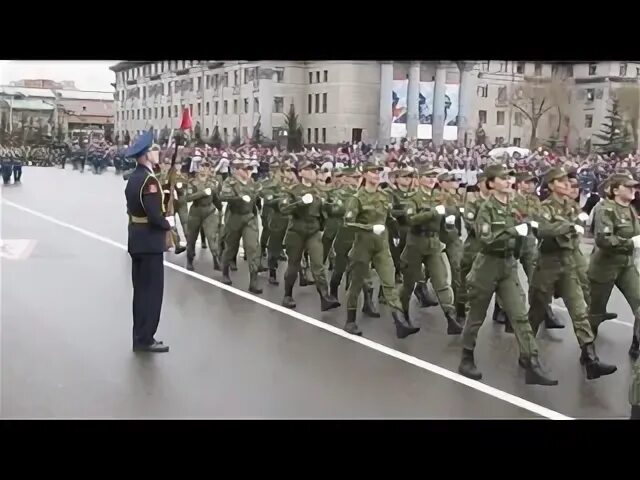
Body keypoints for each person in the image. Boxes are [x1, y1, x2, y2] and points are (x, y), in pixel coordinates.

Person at [458, 164, 557, 385]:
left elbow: (522, 233)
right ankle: (466, 357)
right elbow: (486, 240)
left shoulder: (513, 207)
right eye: (503, 178)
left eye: (509, 178)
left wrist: (523, 238)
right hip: (487, 265)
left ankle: (532, 361)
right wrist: (512, 231)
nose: (508, 181)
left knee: (520, 315)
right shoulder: (486, 208)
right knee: (475, 316)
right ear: (492, 183)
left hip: (508, 265)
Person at [530, 167, 616, 380]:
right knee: (537, 310)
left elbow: (581, 223)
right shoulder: (545, 207)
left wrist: (571, 224)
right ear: (551, 186)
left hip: (568, 262)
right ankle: (527, 353)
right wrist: (567, 226)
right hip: (548, 263)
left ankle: (590, 358)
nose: (568, 184)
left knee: (579, 310)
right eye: (561, 181)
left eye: (568, 181)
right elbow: (542, 230)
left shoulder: (571, 205)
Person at [124, 131, 171, 353]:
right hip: (150, 242)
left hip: (136, 238)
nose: (157, 153)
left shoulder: (134, 177)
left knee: (140, 292)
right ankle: (146, 338)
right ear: (145, 155)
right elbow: (154, 214)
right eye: (154, 150)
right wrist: (167, 223)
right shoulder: (149, 180)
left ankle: (139, 336)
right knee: (151, 293)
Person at [588, 173, 640, 360]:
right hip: (605, 266)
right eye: (629, 186)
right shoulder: (605, 209)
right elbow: (603, 240)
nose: (634, 189)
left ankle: (637, 343)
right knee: (594, 313)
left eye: (635, 186)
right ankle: (587, 352)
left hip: (626, 265)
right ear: (615, 190)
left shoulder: (630, 209)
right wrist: (630, 243)